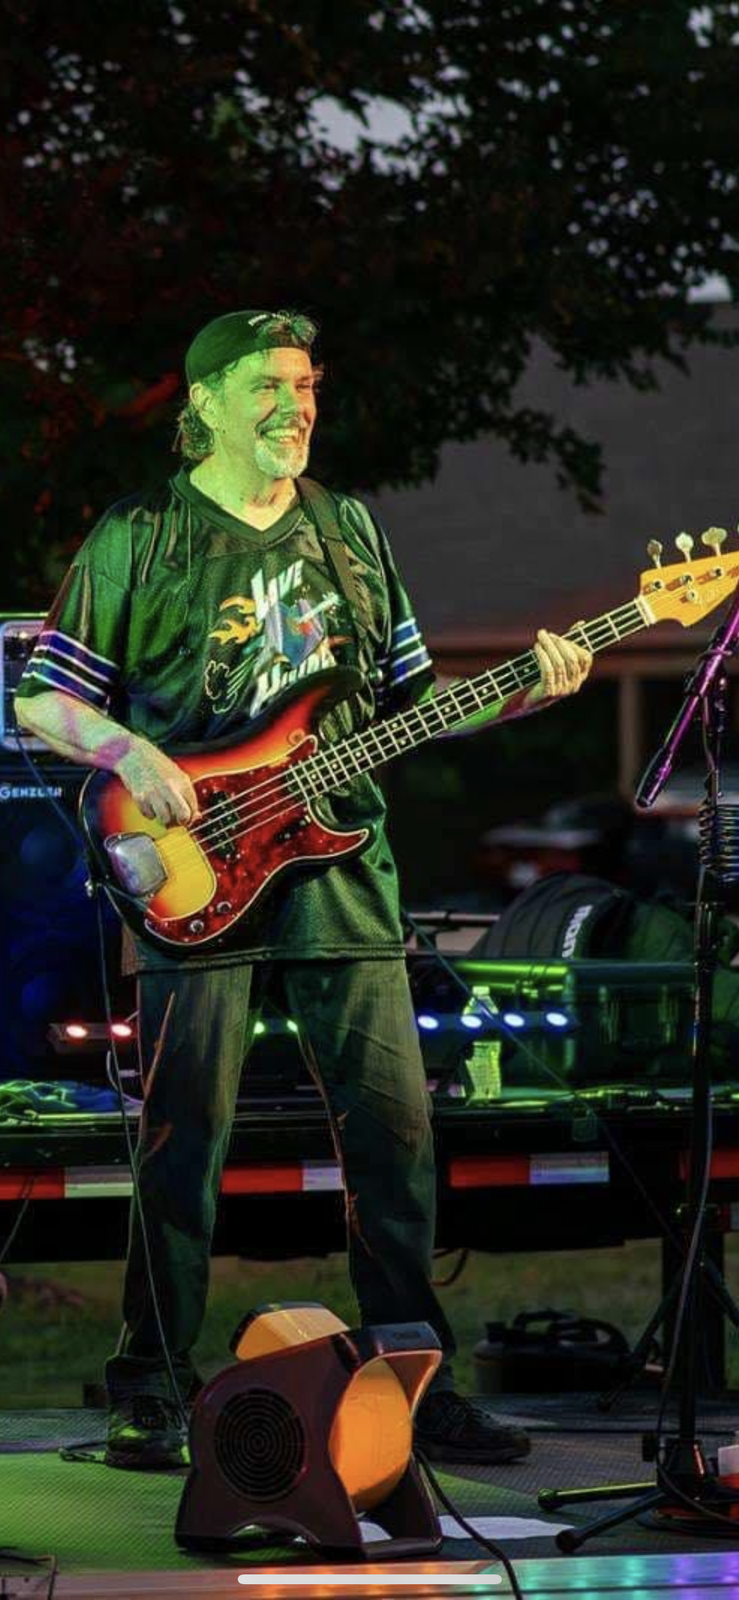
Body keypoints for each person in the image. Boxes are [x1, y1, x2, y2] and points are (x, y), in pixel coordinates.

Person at [15, 308, 592, 1470]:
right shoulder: (140, 534)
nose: (295, 405)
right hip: (191, 867)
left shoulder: (349, 530)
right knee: (183, 1144)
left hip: (342, 877)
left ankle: (414, 1384)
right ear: (206, 403)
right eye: (268, 386)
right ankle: (151, 1385)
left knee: (395, 1142)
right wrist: (132, 753)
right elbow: (41, 698)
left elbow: (412, 706)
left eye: (306, 385)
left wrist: (527, 689)